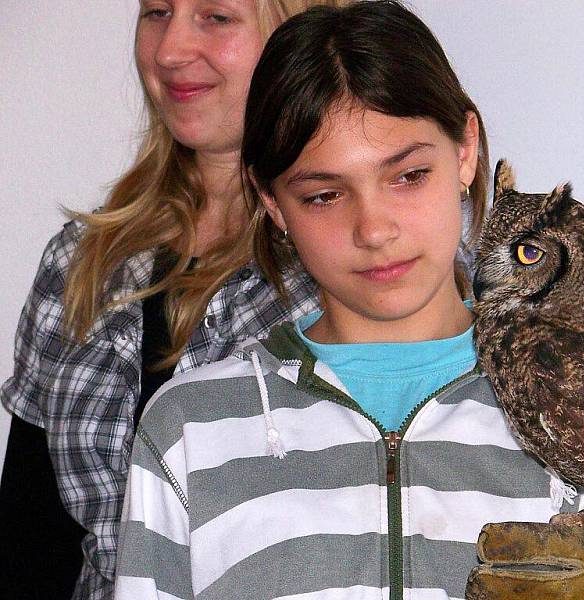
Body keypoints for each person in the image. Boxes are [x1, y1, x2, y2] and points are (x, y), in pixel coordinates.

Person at [114, 2, 584, 598]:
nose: (374, 229)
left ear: (465, 151)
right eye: (323, 195)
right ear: (271, 202)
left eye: (408, 175)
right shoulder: (190, 428)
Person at [0, 1, 348, 598]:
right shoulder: (83, 263)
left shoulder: (362, 269)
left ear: (302, 31)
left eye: (216, 16)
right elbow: (31, 544)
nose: (169, 50)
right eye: (156, 11)